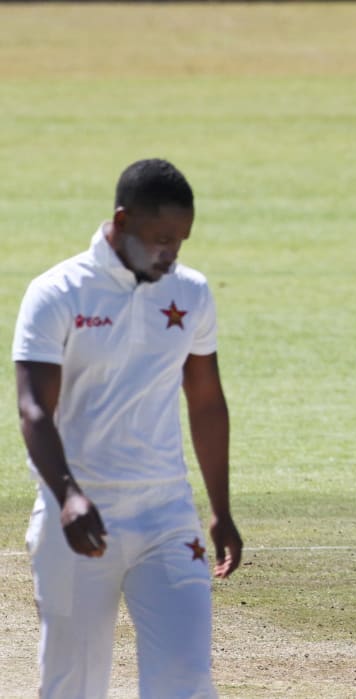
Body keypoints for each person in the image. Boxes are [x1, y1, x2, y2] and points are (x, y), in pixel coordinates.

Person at [13, 158, 243, 699]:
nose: (172, 253)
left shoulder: (190, 293)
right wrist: (68, 495)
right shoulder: (57, 292)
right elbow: (33, 409)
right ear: (122, 221)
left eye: (181, 240)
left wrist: (221, 509)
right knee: (74, 686)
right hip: (78, 522)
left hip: (167, 514)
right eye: (161, 238)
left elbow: (207, 402)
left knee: (186, 679)